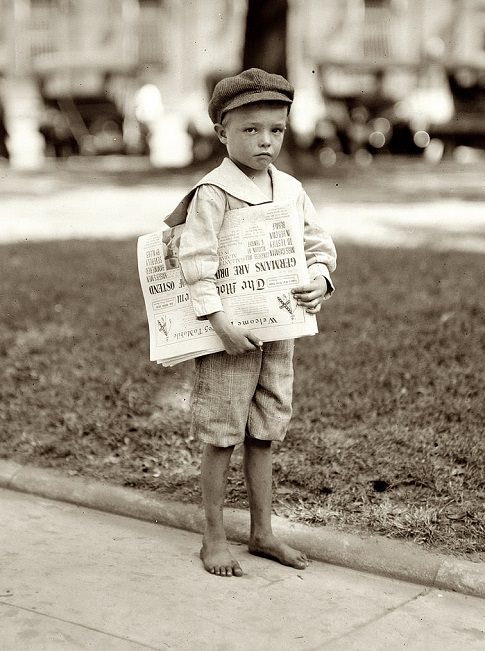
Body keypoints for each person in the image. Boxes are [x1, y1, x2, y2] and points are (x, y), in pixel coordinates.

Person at [165, 68, 337, 577]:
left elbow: (317, 244)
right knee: (222, 435)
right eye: (250, 130)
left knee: (265, 431)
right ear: (222, 132)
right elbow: (195, 261)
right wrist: (218, 321)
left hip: (279, 332)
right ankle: (213, 536)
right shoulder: (213, 192)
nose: (265, 141)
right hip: (228, 338)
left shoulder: (289, 189)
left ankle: (263, 533)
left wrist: (320, 278)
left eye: (276, 130)